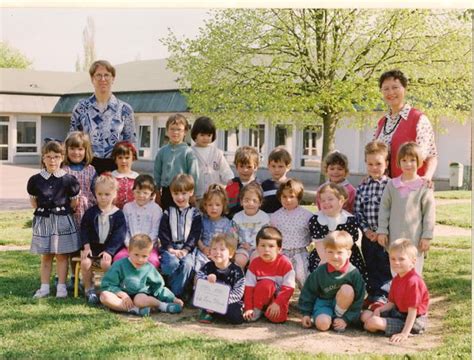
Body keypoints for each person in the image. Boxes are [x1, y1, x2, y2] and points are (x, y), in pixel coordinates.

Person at [27, 140, 81, 299]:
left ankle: (61, 288)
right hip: (44, 220)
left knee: (62, 255)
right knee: (46, 255)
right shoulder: (35, 180)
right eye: (48, 157)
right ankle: (44, 288)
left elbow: (74, 202)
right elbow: (34, 202)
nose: (52, 160)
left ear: (62, 158)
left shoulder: (69, 180)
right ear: (43, 158)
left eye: (56, 156)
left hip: (62, 220)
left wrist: (61, 212)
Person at [377, 142, 435, 275]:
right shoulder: (392, 185)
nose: (408, 164)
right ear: (399, 162)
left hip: (415, 240)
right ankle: (398, 295)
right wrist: (382, 230)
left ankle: (414, 296)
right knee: (396, 273)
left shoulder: (424, 186)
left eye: (412, 160)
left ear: (419, 162)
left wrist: (427, 236)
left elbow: (429, 213)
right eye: (404, 160)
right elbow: (384, 208)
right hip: (394, 238)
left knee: (414, 275)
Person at [70, 60, 136, 175]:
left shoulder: (125, 109)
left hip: (116, 167)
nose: (103, 79)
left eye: (107, 75)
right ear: (92, 79)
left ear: (113, 78)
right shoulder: (80, 108)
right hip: (87, 165)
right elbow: (72, 140)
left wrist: (126, 171)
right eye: (98, 75)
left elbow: (130, 143)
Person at [374, 69, 438, 182]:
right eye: (386, 89)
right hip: (385, 188)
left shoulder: (418, 118)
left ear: (404, 89)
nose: (390, 92)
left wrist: (427, 177)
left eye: (395, 87)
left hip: (411, 186)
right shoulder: (381, 122)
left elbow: (431, 155)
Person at [361, 238, 429, 343]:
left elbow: (413, 311)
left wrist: (404, 334)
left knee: (372, 322)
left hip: (414, 320)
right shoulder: (397, 278)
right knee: (365, 315)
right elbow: (392, 303)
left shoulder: (413, 282)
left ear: (413, 261)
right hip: (398, 313)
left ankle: (390, 327)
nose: (396, 262)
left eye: (401, 259)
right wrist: (379, 310)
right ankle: (379, 325)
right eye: (392, 259)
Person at [100, 234, 183, 317]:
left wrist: (173, 298)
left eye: (144, 256)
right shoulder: (119, 265)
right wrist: (123, 295)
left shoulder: (149, 268)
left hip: (140, 296)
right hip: (120, 297)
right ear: (129, 251)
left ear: (149, 255)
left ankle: (162, 306)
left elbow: (158, 288)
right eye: (136, 255)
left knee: (140, 300)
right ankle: (136, 310)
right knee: (104, 296)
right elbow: (108, 285)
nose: (140, 259)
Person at [299, 231, 365, 332]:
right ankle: (328, 320)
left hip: (344, 307)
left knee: (347, 290)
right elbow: (308, 292)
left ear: (348, 253)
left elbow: (359, 299)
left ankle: (339, 320)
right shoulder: (320, 271)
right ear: (325, 252)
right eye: (330, 252)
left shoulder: (353, 273)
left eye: (339, 252)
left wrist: (346, 319)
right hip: (324, 304)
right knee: (323, 325)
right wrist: (306, 313)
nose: (335, 256)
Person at [354, 141, 392, 310]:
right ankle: (372, 294)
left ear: (387, 164)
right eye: (370, 164)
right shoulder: (362, 187)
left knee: (384, 265)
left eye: (378, 164)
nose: (374, 167)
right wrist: (366, 230)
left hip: (385, 236)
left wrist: (382, 231)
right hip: (368, 236)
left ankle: (382, 296)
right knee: (370, 264)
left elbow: (393, 211)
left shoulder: (390, 186)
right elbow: (358, 212)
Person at [308, 183, 368, 285]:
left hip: (346, 255)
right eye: (322, 200)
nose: (326, 202)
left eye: (330, 199)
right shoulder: (316, 219)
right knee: (323, 277)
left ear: (341, 201)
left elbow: (349, 244)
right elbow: (319, 243)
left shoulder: (349, 219)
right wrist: (326, 261)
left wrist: (341, 261)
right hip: (323, 253)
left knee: (350, 276)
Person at [80, 174, 126, 304]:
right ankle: (89, 289)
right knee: (85, 263)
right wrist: (86, 246)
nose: (103, 198)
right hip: (93, 247)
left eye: (107, 194)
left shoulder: (118, 214)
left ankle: (106, 288)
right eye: (100, 194)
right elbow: (84, 229)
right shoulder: (91, 212)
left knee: (105, 263)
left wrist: (109, 251)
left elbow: (119, 235)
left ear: (114, 194)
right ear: (95, 193)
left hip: (108, 249)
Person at [63, 131, 97, 291]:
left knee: (86, 246)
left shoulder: (91, 170)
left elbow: (95, 191)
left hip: (87, 213)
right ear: (67, 150)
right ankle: (73, 277)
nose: (76, 152)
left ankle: (87, 277)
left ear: (86, 151)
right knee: (72, 247)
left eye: (80, 149)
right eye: (72, 149)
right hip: (69, 213)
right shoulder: (63, 169)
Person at [158, 174, 202, 299]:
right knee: (170, 264)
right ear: (171, 194)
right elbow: (163, 232)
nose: (180, 197)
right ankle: (174, 289)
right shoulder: (168, 211)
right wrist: (170, 248)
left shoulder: (195, 213)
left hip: (187, 248)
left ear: (191, 192)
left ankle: (174, 294)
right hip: (170, 247)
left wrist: (185, 249)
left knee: (187, 265)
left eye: (183, 193)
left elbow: (195, 234)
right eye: (176, 193)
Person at [243, 226, 295, 323]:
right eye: (262, 245)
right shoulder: (254, 263)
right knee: (266, 284)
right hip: (259, 298)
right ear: (257, 247)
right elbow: (249, 288)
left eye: (271, 246)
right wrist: (248, 308)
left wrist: (277, 303)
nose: (266, 250)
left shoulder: (285, 263)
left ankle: (268, 311)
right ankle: (258, 309)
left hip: (277, 300)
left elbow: (289, 288)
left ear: (279, 249)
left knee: (278, 319)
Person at [270, 179, 313, 289]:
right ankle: (281, 301)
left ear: (298, 197)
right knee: (281, 278)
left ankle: (306, 301)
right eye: (284, 196)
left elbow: (313, 234)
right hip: (282, 253)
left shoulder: (307, 215)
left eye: (291, 196)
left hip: (300, 251)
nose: (287, 200)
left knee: (303, 276)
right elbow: (273, 235)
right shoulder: (275, 216)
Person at [113, 175, 162, 268]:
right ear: (133, 191)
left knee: (153, 261)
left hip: (149, 248)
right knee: (118, 258)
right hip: (130, 247)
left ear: (152, 194)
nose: (141, 195)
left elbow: (155, 231)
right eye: (138, 192)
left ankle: (146, 281)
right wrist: (129, 244)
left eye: (145, 193)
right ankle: (124, 281)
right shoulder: (128, 207)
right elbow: (124, 229)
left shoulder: (156, 209)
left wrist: (146, 247)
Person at [195, 234, 245, 324]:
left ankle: (217, 313)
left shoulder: (237, 271)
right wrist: (206, 279)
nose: (217, 252)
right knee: (201, 301)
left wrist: (220, 303)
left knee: (236, 317)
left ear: (230, 254)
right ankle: (207, 312)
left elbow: (238, 292)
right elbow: (198, 281)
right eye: (214, 249)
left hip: (227, 301)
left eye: (222, 249)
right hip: (209, 300)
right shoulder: (207, 266)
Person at [153, 114, 199, 210]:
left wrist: (192, 193)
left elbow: (193, 174)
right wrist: (157, 192)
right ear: (167, 131)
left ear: (185, 131)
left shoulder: (188, 152)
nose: (175, 132)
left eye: (179, 129)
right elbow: (157, 173)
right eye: (172, 129)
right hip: (166, 192)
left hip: (183, 192)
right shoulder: (162, 151)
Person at [190, 116, 234, 202]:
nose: (206, 138)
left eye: (209, 135)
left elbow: (225, 170)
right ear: (195, 134)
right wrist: (189, 193)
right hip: (197, 196)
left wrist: (229, 180)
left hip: (215, 195)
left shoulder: (217, 153)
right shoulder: (190, 153)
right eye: (202, 135)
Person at [194, 184, 235, 273]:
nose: (214, 208)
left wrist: (218, 252)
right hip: (204, 253)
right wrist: (203, 248)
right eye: (210, 205)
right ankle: (198, 285)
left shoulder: (227, 223)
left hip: (219, 254)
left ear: (223, 206)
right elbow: (196, 236)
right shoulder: (201, 220)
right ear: (205, 206)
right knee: (198, 267)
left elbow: (231, 240)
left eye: (217, 205)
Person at [232, 183, 270, 269]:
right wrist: (233, 250)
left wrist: (257, 247)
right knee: (239, 260)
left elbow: (266, 237)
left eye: (254, 201)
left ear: (260, 203)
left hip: (258, 248)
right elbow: (234, 236)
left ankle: (254, 279)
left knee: (256, 259)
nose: (250, 203)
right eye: (246, 200)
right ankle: (239, 279)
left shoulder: (264, 218)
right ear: (241, 202)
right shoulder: (237, 217)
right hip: (242, 248)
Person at [225, 146, 260, 218]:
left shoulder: (259, 186)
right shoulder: (232, 184)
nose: (245, 170)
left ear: (256, 167)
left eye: (249, 167)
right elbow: (227, 206)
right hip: (233, 222)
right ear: (236, 166)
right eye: (241, 166)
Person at [261, 146, 292, 214]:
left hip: (285, 221)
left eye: (280, 166)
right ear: (268, 166)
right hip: (268, 221)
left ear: (288, 167)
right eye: (273, 166)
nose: (276, 170)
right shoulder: (264, 185)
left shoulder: (291, 184)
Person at [111, 141, 139, 209]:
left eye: (127, 157)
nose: (123, 161)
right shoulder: (111, 177)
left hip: (133, 212)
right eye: (120, 158)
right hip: (115, 212)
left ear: (133, 158)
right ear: (115, 159)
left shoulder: (137, 177)